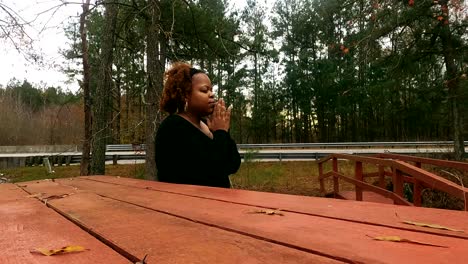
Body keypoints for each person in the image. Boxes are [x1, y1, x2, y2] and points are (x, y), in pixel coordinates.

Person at [155, 62, 241, 188]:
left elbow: (233, 164)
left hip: (215, 203)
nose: (211, 94)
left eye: (211, 90)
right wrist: (221, 133)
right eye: (204, 90)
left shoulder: (208, 125)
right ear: (185, 95)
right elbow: (211, 171)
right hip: (189, 203)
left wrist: (222, 131)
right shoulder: (173, 127)